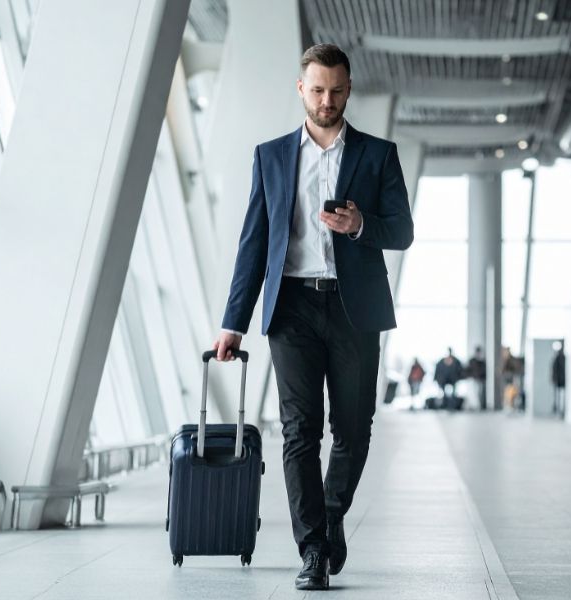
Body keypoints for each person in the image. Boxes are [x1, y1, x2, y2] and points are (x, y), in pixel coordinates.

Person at [212, 44, 413, 591]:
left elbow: (403, 231)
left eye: (337, 91)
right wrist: (233, 322)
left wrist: (359, 225)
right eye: (318, 90)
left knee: (352, 428)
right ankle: (312, 549)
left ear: (349, 90)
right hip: (292, 308)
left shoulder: (379, 155)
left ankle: (331, 512)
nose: (327, 101)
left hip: (355, 308)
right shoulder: (271, 157)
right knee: (300, 431)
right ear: (301, 89)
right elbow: (254, 244)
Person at [467, 345, 487, 410]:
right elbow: (468, 369)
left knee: (479, 393)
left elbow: (483, 371)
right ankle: (474, 406)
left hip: (480, 379)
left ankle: (479, 406)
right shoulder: (472, 361)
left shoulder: (482, 361)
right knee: (473, 393)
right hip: (473, 379)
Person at [550, 340, 566, 416]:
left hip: (561, 381)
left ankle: (560, 411)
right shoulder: (558, 358)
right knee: (558, 397)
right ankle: (558, 411)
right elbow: (554, 370)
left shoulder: (562, 357)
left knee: (561, 397)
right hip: (558, 381)